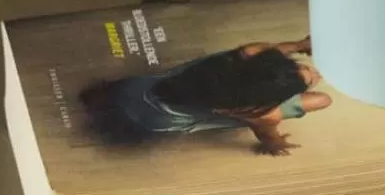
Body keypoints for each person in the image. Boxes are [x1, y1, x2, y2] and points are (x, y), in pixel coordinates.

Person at [78, 36, 331, 156]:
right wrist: (275, 145)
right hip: (157, 121)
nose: (311, 71)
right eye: (307, 78)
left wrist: (298, 45)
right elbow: (269, 138)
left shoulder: (242, 55)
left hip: (136, 90)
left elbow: (264, 52)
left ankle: (107, 100)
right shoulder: (264, 113)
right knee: (322, 101)